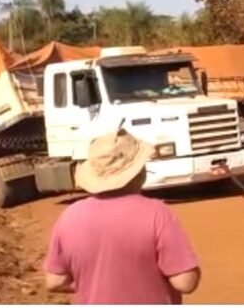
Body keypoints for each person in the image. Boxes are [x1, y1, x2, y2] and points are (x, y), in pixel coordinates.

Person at [43, 128, 201, 304]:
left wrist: (95, 285)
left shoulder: (70, 216)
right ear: (139, 171)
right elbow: (185, 282)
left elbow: (55, 281)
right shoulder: (157, 213)